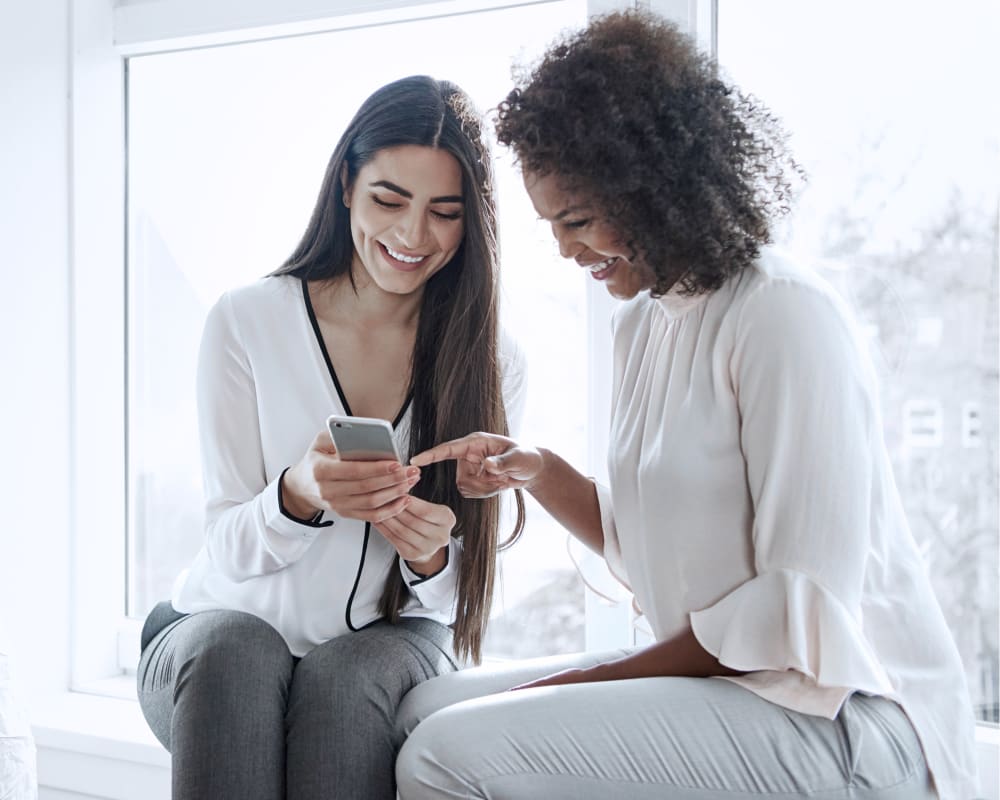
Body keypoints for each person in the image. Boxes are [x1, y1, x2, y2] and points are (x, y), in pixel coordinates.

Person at [394, 11, 979, 800]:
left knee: (443, 752)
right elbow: (660, 562)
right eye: (551, 227)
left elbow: (792, 607)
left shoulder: (783, 315)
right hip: (739, 684)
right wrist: (540, 470)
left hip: (847, 718)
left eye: (577, 220)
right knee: (422, 709)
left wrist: (575, 687)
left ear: (655, 187)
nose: (566, 251)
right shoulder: (645, 326)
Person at [136, 75, 526, 800]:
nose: (413, 236)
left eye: (444, 213)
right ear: (346, 182)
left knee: (345, 681)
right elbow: (224, 542)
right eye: (389, 200)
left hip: (385, 648)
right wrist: (297, 496)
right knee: (238, 652)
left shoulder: (492, 359)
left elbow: (453, 598)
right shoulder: (246, 320)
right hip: (213, 642)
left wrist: (432, 552)